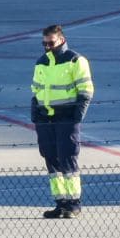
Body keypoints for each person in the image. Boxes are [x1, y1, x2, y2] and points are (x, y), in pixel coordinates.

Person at [31, 25, 94, 219]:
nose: (47, 47)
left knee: (67, 159)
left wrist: (77, 116)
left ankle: (74, 203)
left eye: (51, 43)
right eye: (44, 43)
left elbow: (85, 91)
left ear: (62, 40)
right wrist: (36, 114)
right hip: (45, 119)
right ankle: (60, 202)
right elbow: (36, 91)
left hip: (66, 118)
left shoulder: (75, 60)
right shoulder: (41, 63)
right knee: (51, 159)